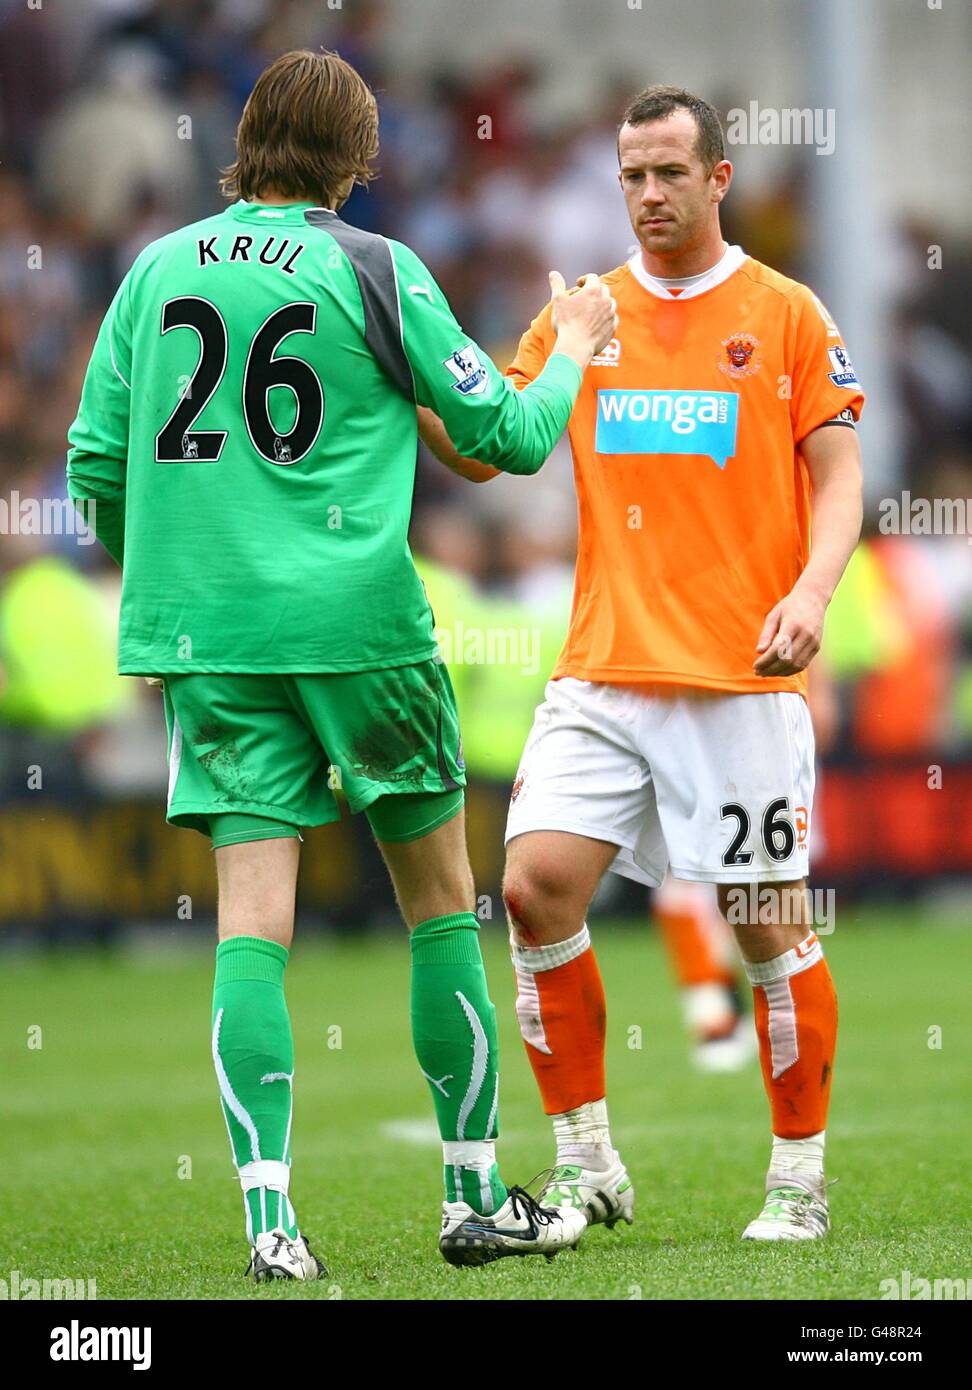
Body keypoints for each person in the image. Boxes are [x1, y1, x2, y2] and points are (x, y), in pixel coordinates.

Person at [66, 48, 617, 1277]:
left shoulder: (154, 271)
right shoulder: (375, 266)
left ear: (246, 135)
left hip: (211, 643)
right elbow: (514, 435)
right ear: (358, 159)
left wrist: (175, 570)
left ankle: (271, 1226)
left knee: (250, 930)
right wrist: (574, 337)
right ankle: (472, 1198)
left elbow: (95, 469)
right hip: (359, 630)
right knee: (437, 905)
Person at [422, 85, 864, 1241]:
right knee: (530, 888)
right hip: (604, 669)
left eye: (671, 172)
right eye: (632, 174)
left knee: (766, 922)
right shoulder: (585, 316)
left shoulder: (784, 314)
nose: (650, 194)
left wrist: (812, 590)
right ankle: (588, 1164)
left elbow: (841, 472)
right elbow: (490, 449)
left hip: (740, 675)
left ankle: (799, 1181)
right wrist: (398, 382)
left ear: (720, 178)